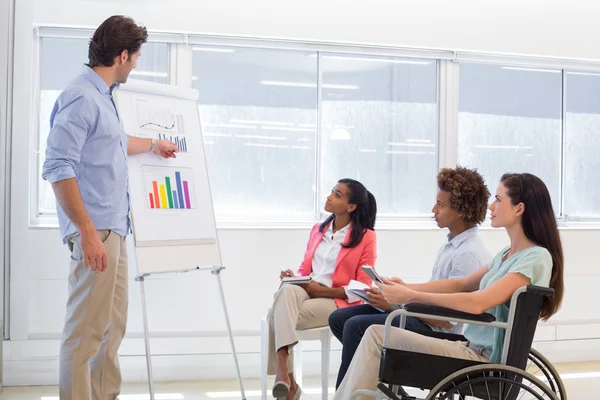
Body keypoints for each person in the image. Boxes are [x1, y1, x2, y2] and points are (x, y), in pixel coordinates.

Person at [41, 15, 179, 400]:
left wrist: (152, 144)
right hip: (96, 229)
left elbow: (113, 143)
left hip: (114, 229)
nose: (136, 64)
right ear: (122, 55)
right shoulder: (82, 97)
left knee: (110, 329)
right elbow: (57, 167)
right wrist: (86, 232)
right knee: (85, 333)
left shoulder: (103, 97)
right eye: (135, 57)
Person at [333, 172, 565, 400]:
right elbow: (461, 284)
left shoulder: (536, 258)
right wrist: (406, 287)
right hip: (469, 348)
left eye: (498, 199)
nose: (491, 207)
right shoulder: (506, 254)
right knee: (375, 333)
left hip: (481, 359)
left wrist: (409, 296)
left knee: (375, 335)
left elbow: (478, 302)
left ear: (519, 208)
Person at [328, 166, 492, 388]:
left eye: (440, 205)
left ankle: (351, 391)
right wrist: (400, 291)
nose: (433, 209)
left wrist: (397, 304)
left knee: (356, 326)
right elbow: (438, 291)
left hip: (439, 332)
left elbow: (447, 319)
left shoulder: (468, 254)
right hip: (425, 318)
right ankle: (369, 383)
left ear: (461, 210)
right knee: (339, 319)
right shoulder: (452, 245)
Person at [268, 178, 377, 400]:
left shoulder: (366, 237)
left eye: (337, 194)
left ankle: (287, 379)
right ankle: (284, 370)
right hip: (305, 289)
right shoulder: (318, 230)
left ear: (351, 207)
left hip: (335, 300)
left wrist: (322, 291)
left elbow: (364, 286)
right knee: (285, 291)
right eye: (331, 192)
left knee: (275, 314)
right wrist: (294, 277)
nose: (329, 197)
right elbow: (305, 267)